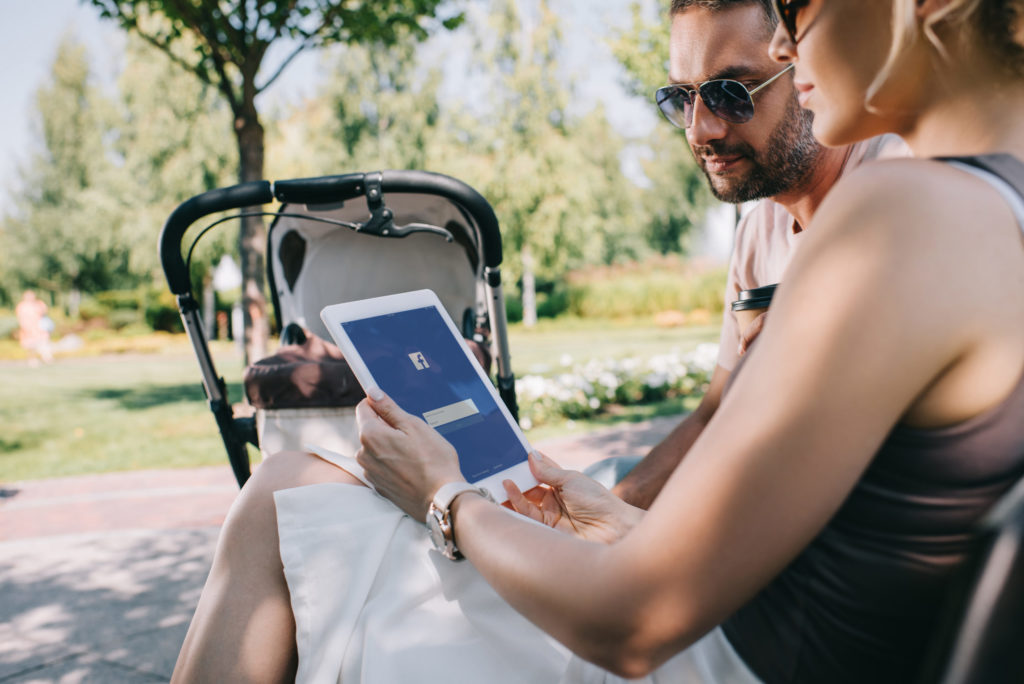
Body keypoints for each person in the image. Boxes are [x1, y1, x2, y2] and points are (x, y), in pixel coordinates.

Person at [173, 0, 1024, 682]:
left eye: (797, 7)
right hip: (749, 629)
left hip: (708, 655)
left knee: (281, 498)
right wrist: (616, 518)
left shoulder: (903, 212)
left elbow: (634, 624)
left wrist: (446, 499)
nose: (791, 44)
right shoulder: (994, 212)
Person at [612, 0, 907, 509]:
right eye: (684, 98)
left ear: (807, 68)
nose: (701, 130)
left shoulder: (900, 186)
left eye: (731, 94)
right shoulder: (757, 232)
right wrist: (605, 506)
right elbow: (714, 417)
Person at [15, 290, 53, 365]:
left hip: (39, 328)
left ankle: (46, 357)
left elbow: (44, 313)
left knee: (43, 342)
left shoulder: (39, 304)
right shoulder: (22, 306)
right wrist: (24, 327)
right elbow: (20, 317)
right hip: (28, 328)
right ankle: (32, 359)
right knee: (30, 345)